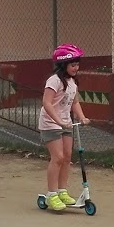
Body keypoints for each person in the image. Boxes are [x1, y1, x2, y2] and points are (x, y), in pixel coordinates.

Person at [40, 43, 88, 211]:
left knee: (67, 157)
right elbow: (46, 102)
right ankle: (51, 194)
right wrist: (58, 121)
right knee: (58, 157)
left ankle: (62, 191)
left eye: (77, 64)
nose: (76, 68)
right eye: (73, 65)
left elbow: (74, 102)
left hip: (66, 122)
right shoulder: (54, 81)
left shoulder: (72, 82)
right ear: (63, 65)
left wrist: (82, 117)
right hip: (50, 123)